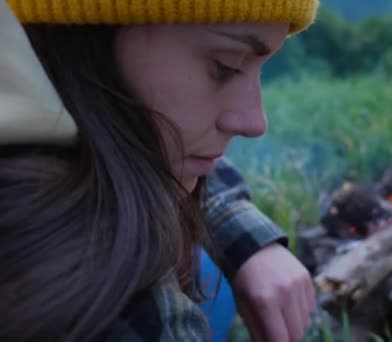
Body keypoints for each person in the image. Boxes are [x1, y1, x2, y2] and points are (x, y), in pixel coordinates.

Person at [0, 0, 319, 341]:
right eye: (226, 66)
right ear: (90, 33)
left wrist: (247, 238)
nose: (255, 122)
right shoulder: (112, 298)